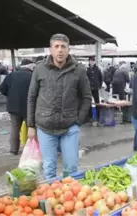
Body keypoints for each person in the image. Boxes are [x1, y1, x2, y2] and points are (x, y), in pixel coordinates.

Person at [27, 34, 92, 179]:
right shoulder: (39, 69)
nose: (60, 50)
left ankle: (70, 198)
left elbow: (87, 97)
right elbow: (31, 97)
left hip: (69, 126)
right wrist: (31, 125)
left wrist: (78, 120)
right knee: (49, 168)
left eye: (63, 46)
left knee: (71, 168)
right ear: (50, 49)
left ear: (68, 49)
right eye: (56, 46)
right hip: (45, 127)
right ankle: (51, 198)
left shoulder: (78, 70)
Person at [0, 59, 35, 155]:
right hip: (29, 107)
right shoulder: (33, 76)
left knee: (15, 128)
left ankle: (13, 150)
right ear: (30, 66)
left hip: (14, 107)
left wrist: (10, 95)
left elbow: (2, 89)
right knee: (30, 128)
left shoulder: (11, 75)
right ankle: (30, 150)